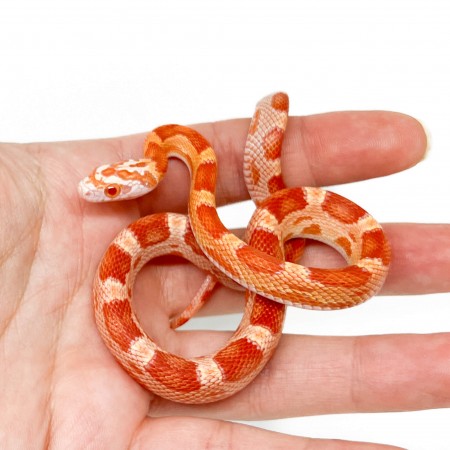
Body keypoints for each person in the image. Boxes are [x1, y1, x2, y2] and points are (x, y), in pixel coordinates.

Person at [0, 110, 448, 449]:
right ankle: (254, 242)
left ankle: (260, 237)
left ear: (146, 179)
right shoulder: (162, 147)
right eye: (107, 187)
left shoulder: (192, 179)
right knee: (242, 239)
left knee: (265, 228)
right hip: (236, 246)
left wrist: (250, 261)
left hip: (263, 239)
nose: (99, 192)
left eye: (111, 190)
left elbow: (220, 220)